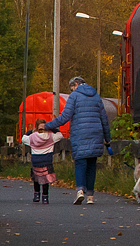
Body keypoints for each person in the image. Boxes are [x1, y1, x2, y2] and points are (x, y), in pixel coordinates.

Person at [45, 76, 112, 205]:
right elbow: (104, 119)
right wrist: (107, 140)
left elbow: (65, 117)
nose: (72, 91)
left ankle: (80, 191)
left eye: (72, 88)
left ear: (76, 84)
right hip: (96, 134)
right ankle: (91, 197)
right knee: (92, 164)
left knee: (80, 162)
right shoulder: (96, 96)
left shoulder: (74, 96)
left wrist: (47, 126)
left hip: (80, 134)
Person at [21, 120, 63, 203]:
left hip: (36, 161)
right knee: (45, 179)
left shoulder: (32, 137)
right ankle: (45, 197)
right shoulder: (51, 136)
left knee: (36, 178)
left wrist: (31, 131)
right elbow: (60, 135)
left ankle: (36, 195)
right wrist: (52, 128)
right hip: (47, 160)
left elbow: (23, 138)